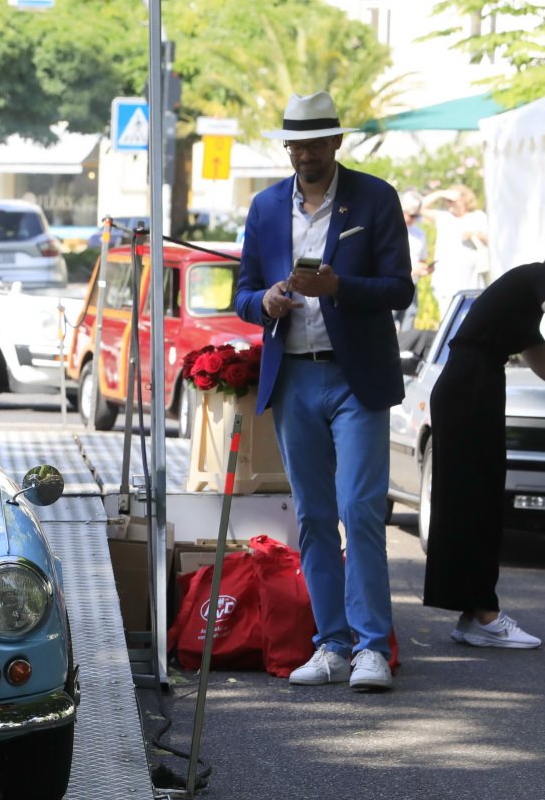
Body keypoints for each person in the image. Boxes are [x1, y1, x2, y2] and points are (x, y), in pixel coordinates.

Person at [231, 91, 414, 692]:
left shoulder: (375, 198)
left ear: (336, 141)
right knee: (312, 514)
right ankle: (331, 644)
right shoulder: (265, 206)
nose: (304, 155)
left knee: (360, 508)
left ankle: (371, 648)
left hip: (356, 377)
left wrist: (340, 287)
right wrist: (266, 301)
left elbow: (400, 288)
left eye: (314, 144)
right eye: (295, 145)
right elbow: (242, 293)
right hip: (294, 377)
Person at [423, 263, 545, 648]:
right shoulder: (536, 277)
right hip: (470, 384)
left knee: (475, 498)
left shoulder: (521, 305)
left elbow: (541, 361)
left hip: (472, 382)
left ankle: (471, 614)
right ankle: (484, 614)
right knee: (475, 500)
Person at [426, 185, 490, 310]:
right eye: (448, 200)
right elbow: (420, 207)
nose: (449, 203)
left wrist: (474, 234)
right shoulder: (443, 216)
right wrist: (441, 193)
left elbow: (490, 239)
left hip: (472, 280)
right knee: (447, 314)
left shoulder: (478, 216)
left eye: (452, 200)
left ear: (464, 199)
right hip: (446, 281)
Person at [400, 189, 438, 332]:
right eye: (411, 215)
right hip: (392, 284)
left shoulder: (419, 233)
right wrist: (410, 270)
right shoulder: (389, 230)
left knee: (409, 322)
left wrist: (426, 268)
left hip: (411, 285)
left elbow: (422, 259)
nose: (414, 219)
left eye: (417, 215)